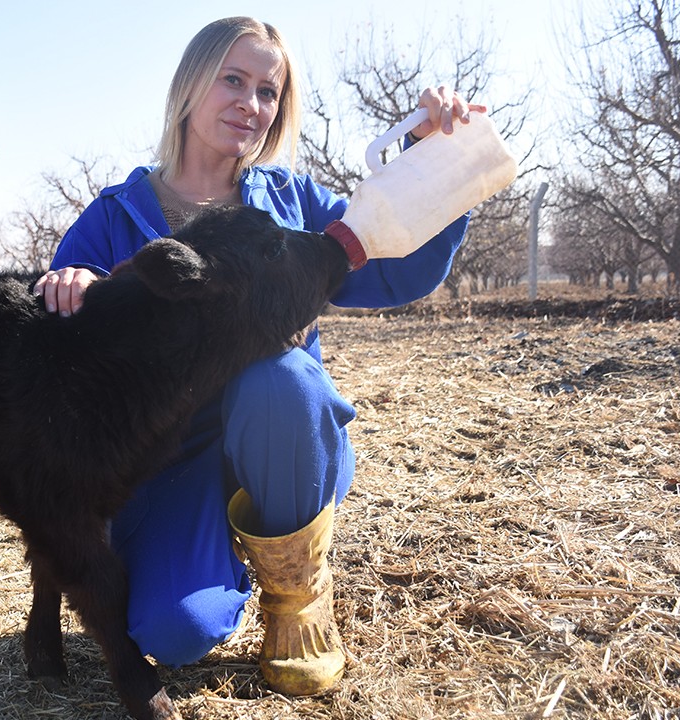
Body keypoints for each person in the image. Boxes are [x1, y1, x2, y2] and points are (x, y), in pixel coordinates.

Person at [32, 16, 482, 696]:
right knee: (173, 633)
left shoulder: (294, 206)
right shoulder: (115, 215)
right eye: (234, 80)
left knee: (277, 378)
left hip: (280, 437)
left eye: (268, 91)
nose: (252, 103)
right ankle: (212, 561)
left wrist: (436, 163)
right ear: (191, 87)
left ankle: (298, 601)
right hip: (167, 462)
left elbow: (398, 269)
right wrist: (71, 286)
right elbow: (58, 357)